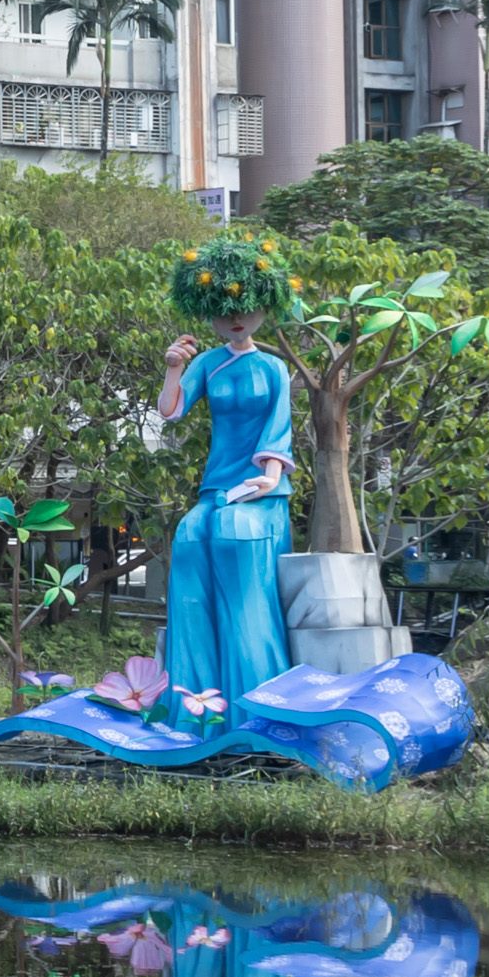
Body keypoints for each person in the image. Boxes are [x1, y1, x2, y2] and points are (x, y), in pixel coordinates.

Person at [157, 233, 300, 726]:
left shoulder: (275, 368)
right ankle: (193, 710)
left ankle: (257, 706)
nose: (235, 319)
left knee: (233, 534)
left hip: (262, 490)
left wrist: (270, 475)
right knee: (191, 536)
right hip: (217, 488)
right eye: (223, 311)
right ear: (210, 314)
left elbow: (278, 428)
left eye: (244, 307)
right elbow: (171, 411)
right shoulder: (206, 364)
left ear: (263, 306)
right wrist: (174, 368)